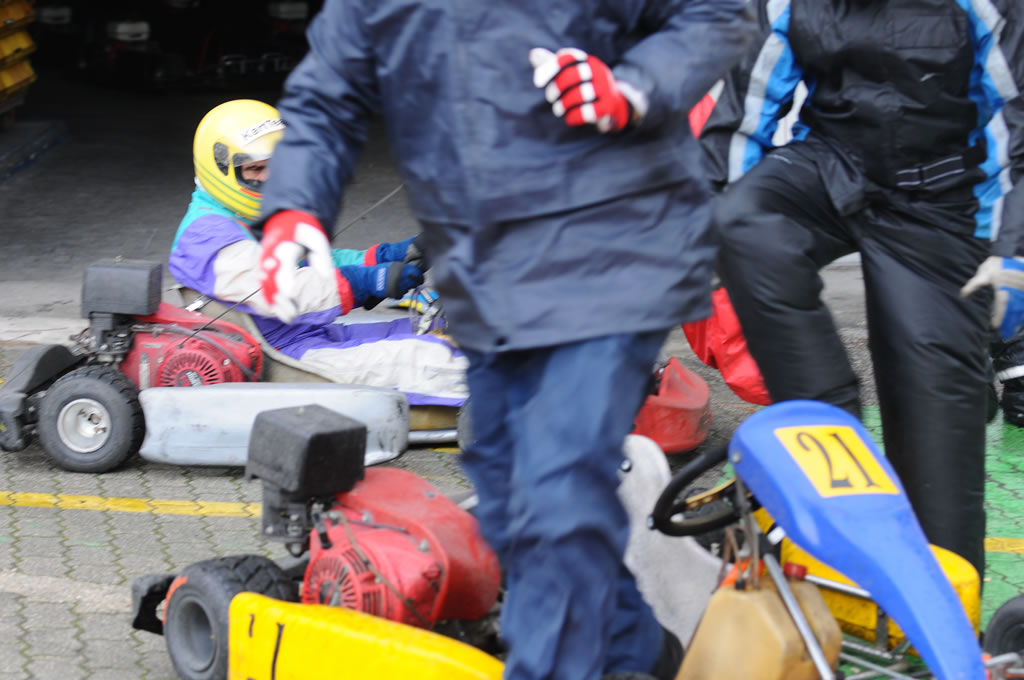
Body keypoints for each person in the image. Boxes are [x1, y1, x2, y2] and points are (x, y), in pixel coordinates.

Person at [251, 2, 755, 678]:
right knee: (511, 493)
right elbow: (327, 94)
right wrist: (294, 209)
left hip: (617, 248)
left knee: (557, 493)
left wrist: (631, 87)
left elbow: (714, 13)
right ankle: (641, 653)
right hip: (492, 271)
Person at [701, 0, 1023, 579]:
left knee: (937, 484)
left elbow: (1020, 123)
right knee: (739, 217)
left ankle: (943, 614)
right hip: (831, 168)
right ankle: (830, 429)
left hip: (945, 199)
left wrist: (1014, 251)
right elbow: (741, 120)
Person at [168, 99, 468, 408]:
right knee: (435, 358)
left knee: (443, 331)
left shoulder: (244, 218)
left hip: (309, 335)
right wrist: (368, 281)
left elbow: (311, 264)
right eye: (256, 168)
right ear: (220, 171)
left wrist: (387, 257)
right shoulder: (207, 237)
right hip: (284, 359)